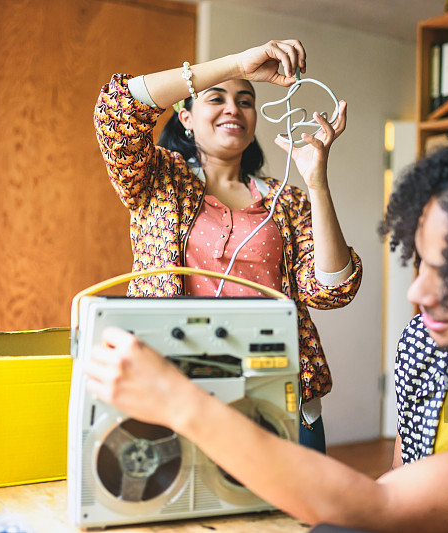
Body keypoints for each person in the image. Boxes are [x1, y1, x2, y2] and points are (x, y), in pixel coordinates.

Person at [83, 138, 448, 532]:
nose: (418, 295)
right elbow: (406, 475)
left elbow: (385, 505)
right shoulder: (427, 344)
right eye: (420, 264)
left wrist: (178, 400)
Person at [93, 39, 362, 453]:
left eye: (245, 100)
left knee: (295, 519)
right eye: (215, 98)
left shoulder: (286, 200)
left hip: (280, 399)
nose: (233, 108)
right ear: (185, 116)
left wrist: (317, 184)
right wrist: (236, 65)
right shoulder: (158, 181)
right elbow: (118, 109)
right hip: (178, 396)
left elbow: (332, 289)